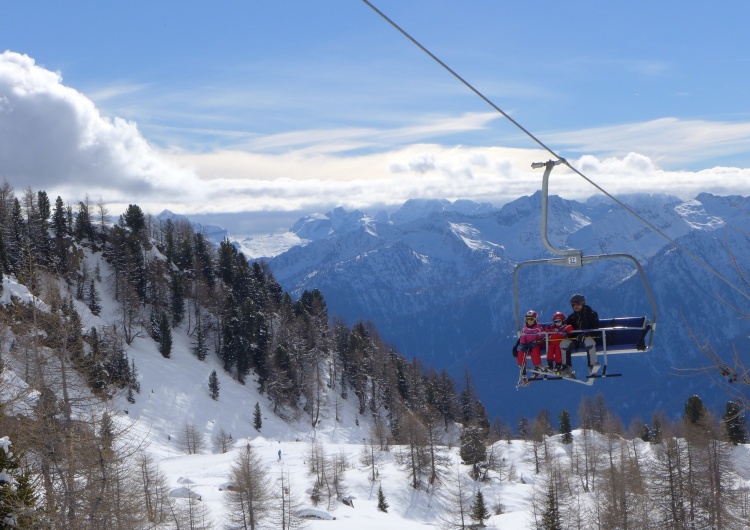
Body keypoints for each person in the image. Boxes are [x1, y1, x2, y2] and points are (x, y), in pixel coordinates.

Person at [559, 294, 600, 377]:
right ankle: (566, 367)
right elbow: (569, 330)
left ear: (583, 303)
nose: (575, 306)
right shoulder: (571, 318)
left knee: (589, 341)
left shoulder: (591, 314)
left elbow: (596, 328)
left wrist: (585, 334)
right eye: (573, 305)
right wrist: (567, 333)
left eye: (577, 304)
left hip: (589, 338)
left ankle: (592, 366)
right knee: (564, 343)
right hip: (576, 340)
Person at [512, 310, 545, 382]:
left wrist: (536, 343)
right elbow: (522, 338)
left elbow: (542, 338)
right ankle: (522, 367)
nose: (529, 321)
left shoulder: (538, 328)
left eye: (531, 319)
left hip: (536, 345)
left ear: (535, 320)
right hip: (527, 346)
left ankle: (538, 366)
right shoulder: (524, 329)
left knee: (535, 351)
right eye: (528, 319)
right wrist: (523, 344)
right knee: (521, 352)